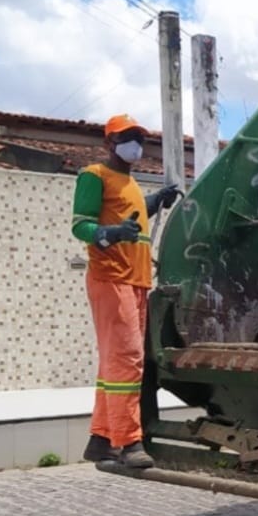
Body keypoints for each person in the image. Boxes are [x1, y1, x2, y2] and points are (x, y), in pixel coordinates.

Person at [71, 113, 182, 467]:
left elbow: (129, 216)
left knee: (115, 363)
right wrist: (109, 234)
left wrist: (154, 201)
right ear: (109, 142)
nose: (135, 143)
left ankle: (101, 438)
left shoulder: (130, 183)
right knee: (127, 361)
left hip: (135, 281)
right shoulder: (94, 175)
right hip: (111, 278)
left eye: (138, 137)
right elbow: (82, 226)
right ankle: (129, 441)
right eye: (127, 137)